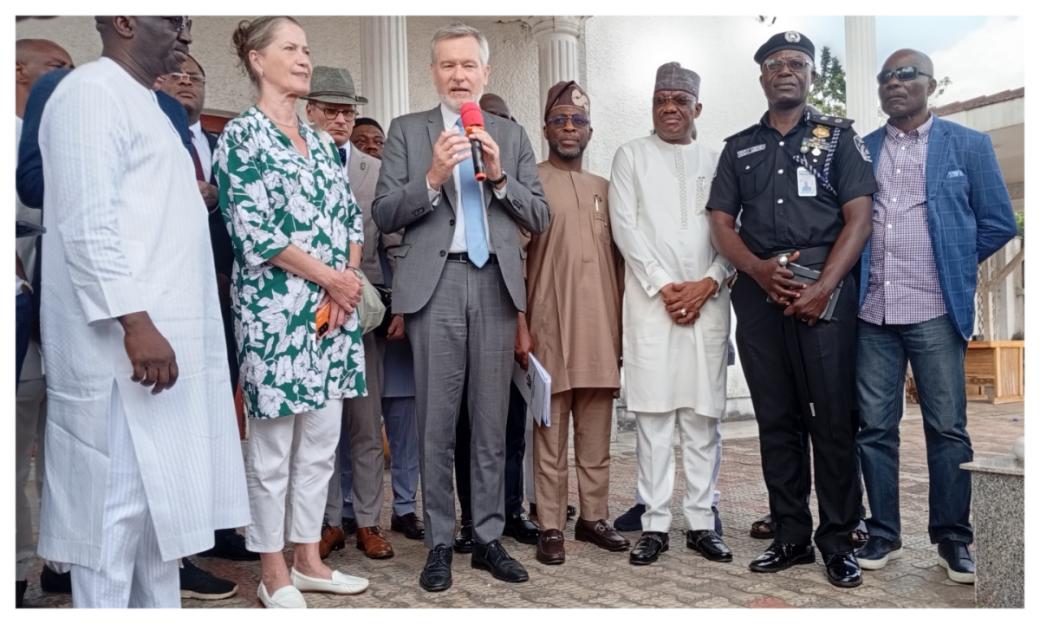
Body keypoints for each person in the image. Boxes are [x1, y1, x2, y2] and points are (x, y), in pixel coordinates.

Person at [36, 16, 250, 608]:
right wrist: (134, 320)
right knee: (114, 522)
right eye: (173, 20)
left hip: (166, 359)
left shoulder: (150, 107)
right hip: (123, 359)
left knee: (161, 531)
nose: (186, 32)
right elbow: (86, 222)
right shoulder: (90, 93)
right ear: (125, 21)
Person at [372, 22, 549, 592]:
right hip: (436, 284)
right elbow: (383, 213)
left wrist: (498, 177)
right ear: (433, 73)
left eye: (468, 65)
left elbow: (540, 217)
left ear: (485, 73)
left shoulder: (510, 136)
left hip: (496, 285)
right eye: (447, 65)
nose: (458, 75)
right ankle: (441, 542)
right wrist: (431, 177)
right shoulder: (406, 130)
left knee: (492, 421)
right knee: (437, 423)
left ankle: (489, 537)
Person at [707, 31, 877, 588]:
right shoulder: (739, 147)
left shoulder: (837, 139)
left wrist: (825, 286)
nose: (787, 69)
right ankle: (790, 535)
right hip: (759, 298)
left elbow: (859, 217)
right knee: (776, 418)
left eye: (798, 63)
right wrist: (756, 270)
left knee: (831, 418)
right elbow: (721, 224)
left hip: (823, 296)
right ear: (762, 77)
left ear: (809, 76)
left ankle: (838, 539)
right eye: (776, 63)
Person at [215, 16, 369, 608]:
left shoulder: (321, 142)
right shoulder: (243, 136)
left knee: (319, 444)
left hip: (332, 318)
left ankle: (308, 558)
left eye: (307, 49)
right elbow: (256, 230)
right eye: (291, 48)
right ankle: (272, 569)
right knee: (273, 448)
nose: (304, 59)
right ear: (258, 60)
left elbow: (349, 219)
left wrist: (346, 279)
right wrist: (333, 278)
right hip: (277, 319)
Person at [854, 49, 1016, 583]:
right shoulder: (862, 149)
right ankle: (883, 533)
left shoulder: (968, 145)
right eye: (886, 77)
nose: (895, 83)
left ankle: (953, 539)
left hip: (934, 311)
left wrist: (951, 259)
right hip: (873, 312)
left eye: (907, 75)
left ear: (930, 84)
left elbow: (997, 222)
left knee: (947, 428)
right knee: (875, 428)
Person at [610, 63, 732, 567]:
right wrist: (666, 287)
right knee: (655, 418)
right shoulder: (630, 156)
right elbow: (625, 228)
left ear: (697, 108)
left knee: (702, 419)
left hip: (709, 303)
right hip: (651, 304)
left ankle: (702, 520)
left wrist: (709, 282)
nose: (669, 107)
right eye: (661, 98)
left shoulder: (719, 160)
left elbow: (735, 233)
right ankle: (656, 522)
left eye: (680, 100)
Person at [519, 80, 630, 566]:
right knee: (548, 431)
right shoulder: (529, 185)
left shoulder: (607, 190)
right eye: (560, 120)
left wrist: (624, 332)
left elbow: (624, 267)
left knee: (595, 432)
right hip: (548, 327)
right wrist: (520, 325)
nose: (569, 128)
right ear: (545, 128)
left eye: (578, 121)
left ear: (590, 131)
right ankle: (549, 523)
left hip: (601, 330)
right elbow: (514, 262)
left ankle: (594, 516)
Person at [302, 64, 399, 560]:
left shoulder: (375, 169)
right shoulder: (293, 162)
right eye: (331, 110)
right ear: (311, 110)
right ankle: (324, 522)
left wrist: (395, 304)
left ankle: (367, 522)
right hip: (308, 312)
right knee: (317, 424)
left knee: (365, 421)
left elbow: (394, 242)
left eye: (347, 111)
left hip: (361, 312)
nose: (341, 120)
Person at [453, 91, 540, 555]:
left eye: (502, 122)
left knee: (510, 423)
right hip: (461, 310)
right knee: (468, 426)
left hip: (512, 314)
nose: (492, 130)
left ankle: (510, 510)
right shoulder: (460, 178)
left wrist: (523, 324)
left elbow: (526, 254)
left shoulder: (515, 182)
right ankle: (472, 519)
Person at [14, 37, 72, 609]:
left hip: (68, 312)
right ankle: (15, 569)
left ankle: (62, 560)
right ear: (18, 70)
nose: (66, 82)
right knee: (17, 441)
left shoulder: (62, 138)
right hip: (19, 307)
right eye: (57, 70)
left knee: (67, 442)